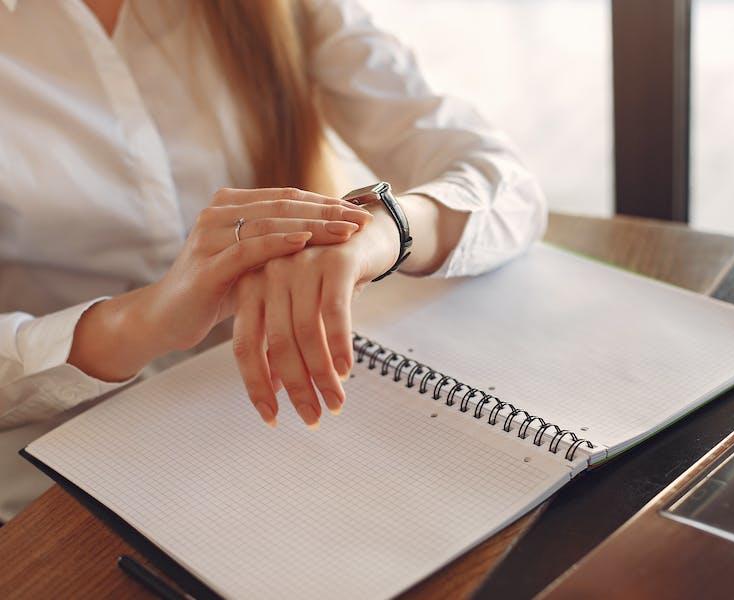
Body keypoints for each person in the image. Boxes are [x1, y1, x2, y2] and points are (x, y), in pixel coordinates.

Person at [0, 0, 546, 521]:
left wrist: (380, 232)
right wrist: (137, 322)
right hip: (53, 484)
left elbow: (509, 186)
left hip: (283, 432)